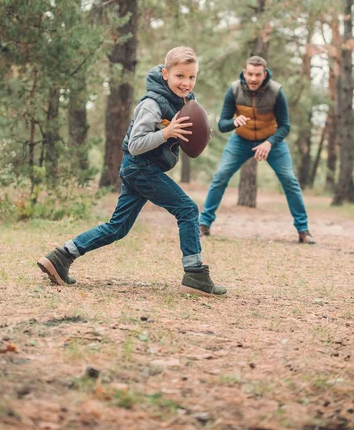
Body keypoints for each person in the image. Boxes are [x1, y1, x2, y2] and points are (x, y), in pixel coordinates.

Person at [38, 46, 227, 296]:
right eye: (180, 76)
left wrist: (198, 134)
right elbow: (136, 145)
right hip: (140, 167)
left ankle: (60, 257)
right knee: (188, 209)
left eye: (192, 77)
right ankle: (195, 275)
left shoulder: (184, 102)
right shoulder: (151, 103)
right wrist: (166, 133)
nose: (186, 83)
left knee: (118, 227)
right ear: (165, 73)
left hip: (143, 169)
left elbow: (181, 134)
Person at [199, 55, 315, 244]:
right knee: (220, 176)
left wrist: (269, 143)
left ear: (264, 74)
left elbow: (285, 126)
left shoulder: (276, 92)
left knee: (289, 180)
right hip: (240, 140)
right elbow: (222, 124)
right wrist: (233, 122)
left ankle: (303, 230)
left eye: (257, 75)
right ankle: (204, 224)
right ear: (244, 72)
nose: (253, 78)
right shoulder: (235, 90)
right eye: (250, 74)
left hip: (272, 141)